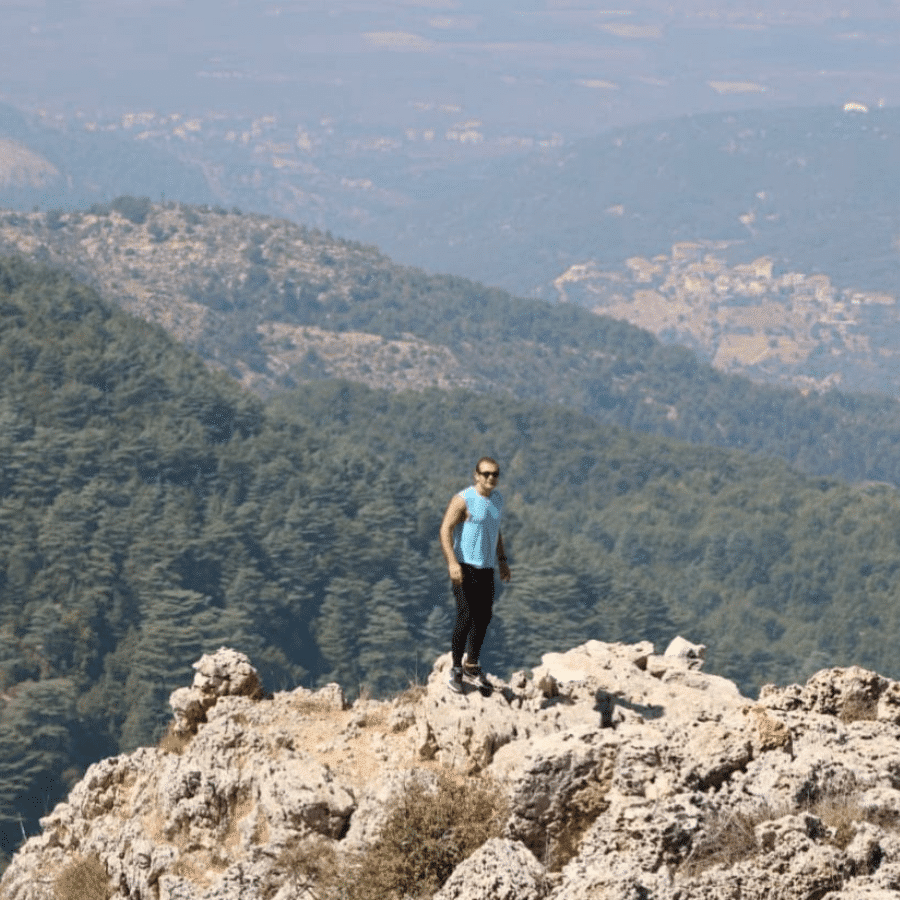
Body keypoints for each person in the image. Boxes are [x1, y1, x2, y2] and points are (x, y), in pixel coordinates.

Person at [439, 456, 511, 693]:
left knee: (484, 617)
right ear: (477, 475)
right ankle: (456, 669)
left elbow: (495, 530)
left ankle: (472, 664)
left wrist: (502, 561)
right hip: (464, 566)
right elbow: (445, 529)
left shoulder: (497, 500)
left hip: (486, 567)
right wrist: (452, 563)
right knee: (465, 615)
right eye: (486, 474)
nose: (491, 478)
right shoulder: (464, 499)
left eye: (495, 474)